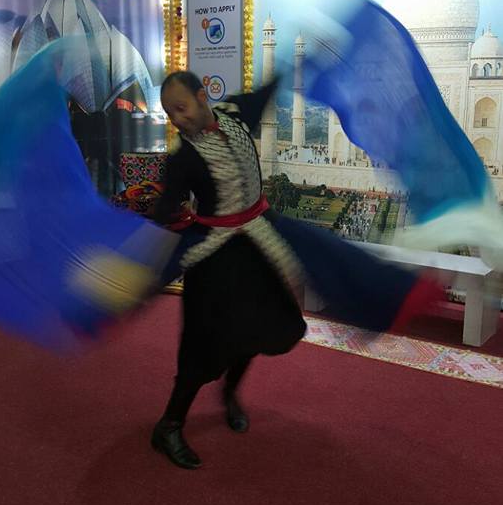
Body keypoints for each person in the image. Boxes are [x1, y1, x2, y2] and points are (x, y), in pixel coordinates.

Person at [150, 71, 443, 470]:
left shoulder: (235, 114)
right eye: (170, 113)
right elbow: (165, 209)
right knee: (204, 345)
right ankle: (169, 425)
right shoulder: (182, 158)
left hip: (255, 247)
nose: (177, 119)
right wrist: (179, 222)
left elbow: (266, 90)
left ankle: (230, 392)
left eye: (182, 108)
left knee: (260, 328)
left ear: (203, 96)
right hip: (215, 259)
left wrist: (297, 62)